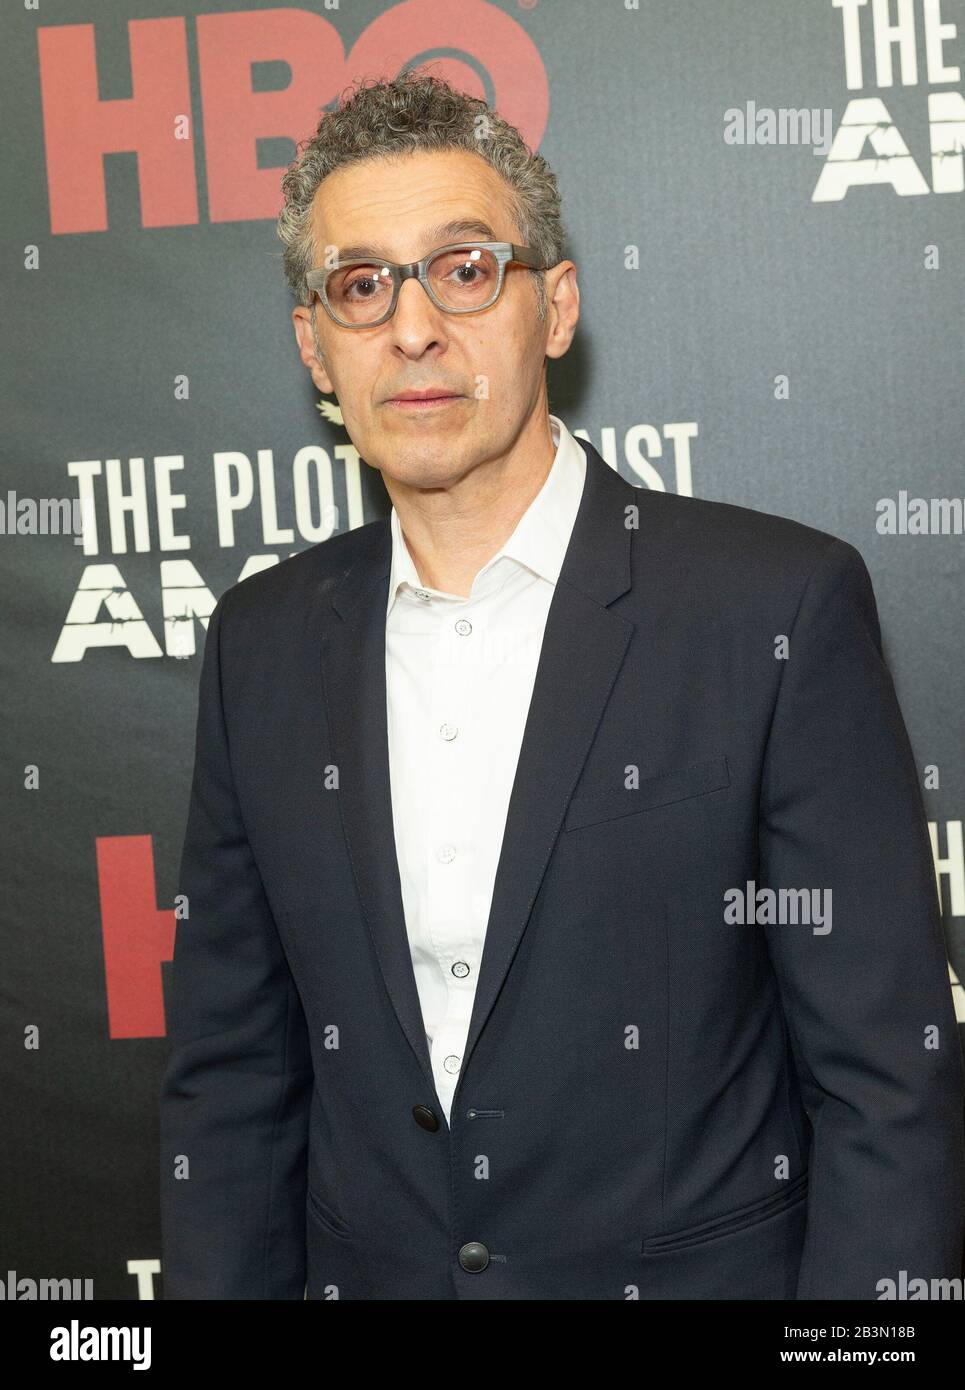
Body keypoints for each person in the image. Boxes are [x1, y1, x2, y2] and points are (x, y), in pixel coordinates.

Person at [159, 69, 965, 1300]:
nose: (413, 328)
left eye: (465, 267)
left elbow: (883, 1077)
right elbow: (230, 1080)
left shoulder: (772, 607)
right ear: (314, 346)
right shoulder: (260, 642)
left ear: (555, 307)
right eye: (360, 284)